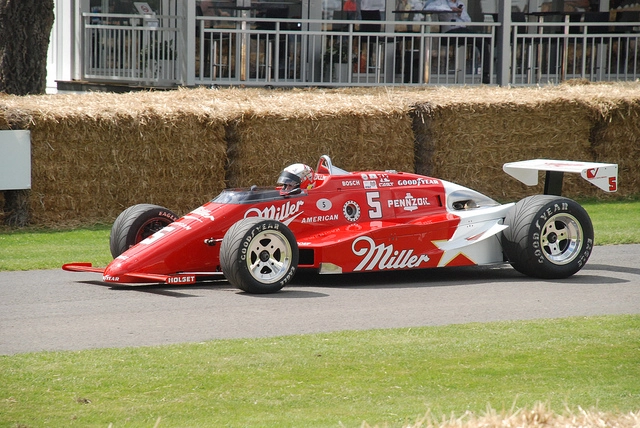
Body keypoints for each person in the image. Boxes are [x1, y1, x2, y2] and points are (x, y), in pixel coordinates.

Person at [438, 0, 492, 84]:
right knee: (472, 36)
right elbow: (430, 7)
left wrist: (461, 14)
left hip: (463, 31)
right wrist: (450, 10)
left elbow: (468, 21)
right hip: (449, 32)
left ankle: (485, 74)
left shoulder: (460, 3)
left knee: (483, 41)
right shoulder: (442, 3)